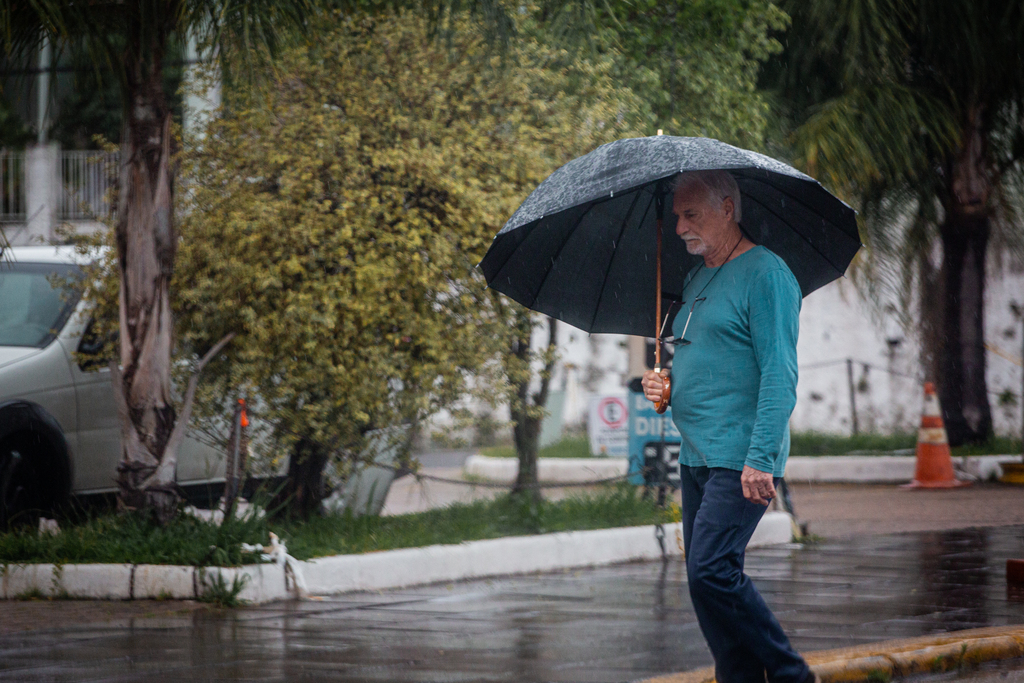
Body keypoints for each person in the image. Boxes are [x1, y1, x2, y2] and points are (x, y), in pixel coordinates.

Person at [641, 170, 815, 683]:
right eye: (676, 215)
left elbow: (779, 373)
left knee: (712, 570)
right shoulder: (697, 278)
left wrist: (761, 457)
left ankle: (791, 675)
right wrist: (666, 387)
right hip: (697, 454)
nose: (679, 228)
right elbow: (715, 362)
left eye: (690, 215)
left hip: (741, 457)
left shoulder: (767, 275)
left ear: (726, 209)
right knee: (705, 580)